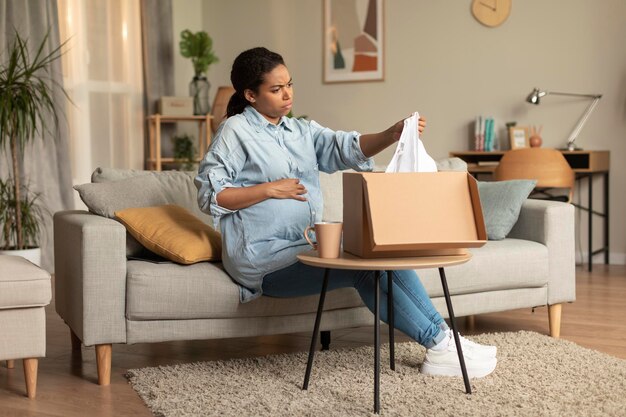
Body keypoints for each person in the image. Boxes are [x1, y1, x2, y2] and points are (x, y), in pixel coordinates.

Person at [195, 47, 497, 378]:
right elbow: (213, 194)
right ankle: (440, 345)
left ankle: (445, 341)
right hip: (263, 260)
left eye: (290, 85)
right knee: (363, 269)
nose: (287, 95)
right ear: (250, 94)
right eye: (276, 89)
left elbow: (345, 147)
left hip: (305, 249)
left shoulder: (300, 130)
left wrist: (390, 134)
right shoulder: (235, 132)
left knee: (380, 253)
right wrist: (269, 189)